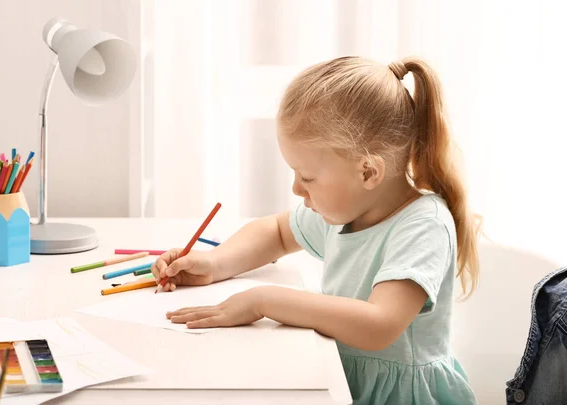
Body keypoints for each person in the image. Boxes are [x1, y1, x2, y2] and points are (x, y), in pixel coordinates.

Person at [151, 56, 481, 405]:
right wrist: (214, 263)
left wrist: (265, 300)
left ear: (368, 172)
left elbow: (379, 324)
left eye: (307, 177)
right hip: (337, 381)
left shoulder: (423, 226)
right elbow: (277, 232)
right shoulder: (347, 212)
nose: (296, 188)